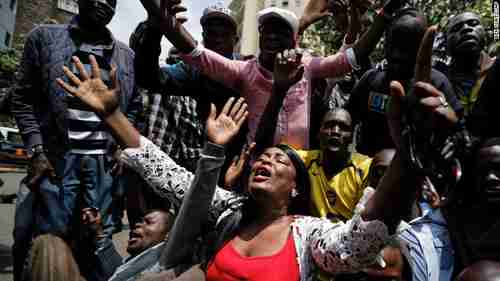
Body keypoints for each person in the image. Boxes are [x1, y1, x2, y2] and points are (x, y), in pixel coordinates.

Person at [56, 24, 457, 281]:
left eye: (282, 160)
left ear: (296, 188)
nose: (266, 159)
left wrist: (408, 159)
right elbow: (164, 170)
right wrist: (111, 113)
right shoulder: (227, 212)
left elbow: (360, 240)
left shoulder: (308, 234)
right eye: (263, 158)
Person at [152, 0, 404, 149]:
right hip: (257, 167)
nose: (272, 36)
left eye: (281, 32)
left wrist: (386, 14)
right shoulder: (243, 71)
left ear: (293, 40)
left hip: (298, 170)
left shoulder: (308, 66)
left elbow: (351, 58)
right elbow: (196, 53)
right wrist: (158, 15)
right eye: (267, 30)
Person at [10, 0, 142, 278]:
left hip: (103, 175)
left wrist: (120, 148)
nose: (104, 2)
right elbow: (22, 98)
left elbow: (133, 108)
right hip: (56, 168)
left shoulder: (126, 56)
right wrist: (36, 149)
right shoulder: (44, 38)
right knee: (42, 250)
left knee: (96, 253)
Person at [131, 3, 244, 172]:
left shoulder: (247, 71)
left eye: (224, 35)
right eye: (212, 34)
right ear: (203, 37)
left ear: (235, 40)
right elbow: (149, 78)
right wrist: (154, 29)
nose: (218, 40)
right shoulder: (192, 71)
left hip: (238, 165)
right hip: (201, 163)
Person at [346, 7, 463, 157]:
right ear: (386, 41)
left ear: (422, 47)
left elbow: (457, 128)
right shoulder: (371, 79)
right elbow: (347, 119)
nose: (397, 54)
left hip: (415, 169)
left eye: (407, 47)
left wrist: (452, 139)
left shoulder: (437, 83)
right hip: (370, 172)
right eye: (394, 43)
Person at [80, 207, 175, 281]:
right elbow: (116, 274)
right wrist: (98, 231)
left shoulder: (162, 271)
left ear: (168, 235)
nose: (137, 224)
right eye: (141, 221)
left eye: (149, 222)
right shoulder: (135, 266)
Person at [445, 12, 495, 117]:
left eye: (473, 23)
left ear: (485, 34)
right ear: (447, 46)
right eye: (456, 29)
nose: (466, 29)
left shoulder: (496, 69)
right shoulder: (439, 79)